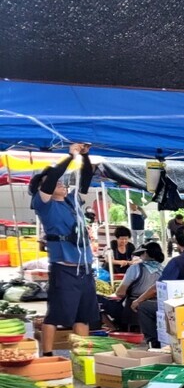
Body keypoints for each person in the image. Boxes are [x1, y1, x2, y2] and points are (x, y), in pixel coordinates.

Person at [29, 144, 100, 354]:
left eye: (61, 182)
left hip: (84, 268)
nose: (60, 183)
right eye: (54, 183)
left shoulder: (71, 201)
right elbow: (52, 178)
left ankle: (82, 355)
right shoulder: (44, 204)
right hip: (64, 268)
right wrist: (70, 156)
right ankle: (47, 354)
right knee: (56, 315)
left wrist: (85, 157)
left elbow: (86, 177)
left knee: (83, 316)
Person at [100, 242, 164, 331]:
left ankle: (114, 328)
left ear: (145, 253)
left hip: (134, 308)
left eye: (141, 254)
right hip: (157, 306)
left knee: (99, 301)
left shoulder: (135, 268)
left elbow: (120, 293)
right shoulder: (164, 269)